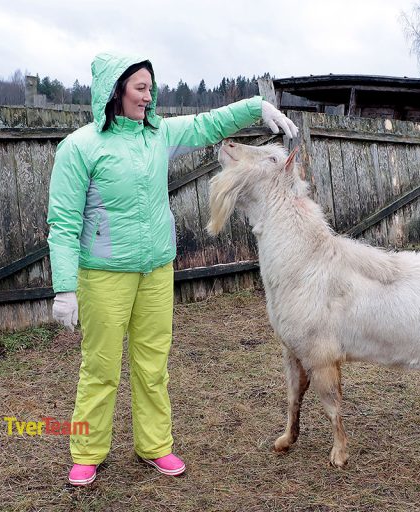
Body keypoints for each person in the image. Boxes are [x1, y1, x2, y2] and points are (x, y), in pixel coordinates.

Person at [47, 51, 298, 486]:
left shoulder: (158, 135)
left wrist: (255, 107)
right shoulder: (80, 147)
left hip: (156, 271)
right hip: (104, 274)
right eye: (140, 88)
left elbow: (207, 125)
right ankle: (87, 452)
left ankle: (154, 445)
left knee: (152, 365)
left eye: (151, 88)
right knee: (100, 368)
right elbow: (64, 221)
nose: (149, 96)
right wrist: (65, 287)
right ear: (116, 91)